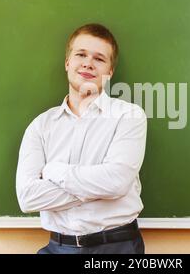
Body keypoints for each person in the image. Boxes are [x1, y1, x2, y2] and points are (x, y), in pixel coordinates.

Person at [16, 23, 147, 254]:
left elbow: (116, 182)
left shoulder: (129, 116)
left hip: (116, 247)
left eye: (99, 58)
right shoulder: (40, 126)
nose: (88, 63)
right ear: (68, 62)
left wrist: (54, 171)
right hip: (57, 248)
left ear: (110, 72)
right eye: (81, 54)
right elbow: (28, 198)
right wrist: (99, 188)